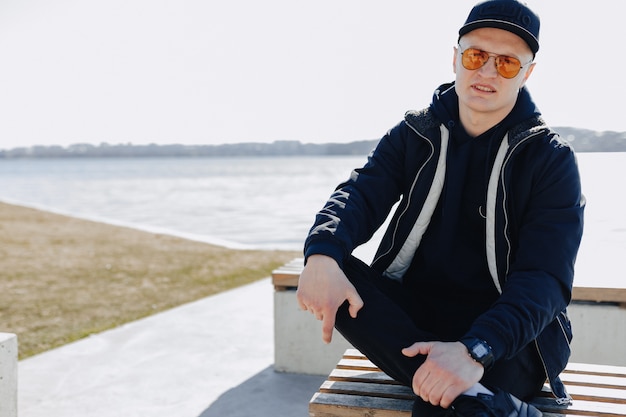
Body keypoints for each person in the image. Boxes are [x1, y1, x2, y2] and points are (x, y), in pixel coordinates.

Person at [296, 1, 585, 416]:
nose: (486, 72)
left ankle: (473, 389)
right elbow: (359, 193)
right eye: (475, 55)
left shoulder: (549, 158)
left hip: (509, 337)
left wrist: (473, 350)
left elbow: (546, 279)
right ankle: (475, 394)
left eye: (506, 63)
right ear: (455, 58)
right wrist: (321, 252)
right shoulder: (416, 133)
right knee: (331, 270)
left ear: (527, 73)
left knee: (437, 408)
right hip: (418, 321)